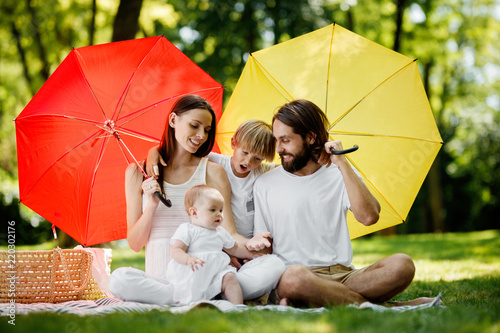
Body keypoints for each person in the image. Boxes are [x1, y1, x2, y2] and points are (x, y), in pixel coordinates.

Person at [249, 99, 438, 307]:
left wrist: (342, 163)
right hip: (295, 276)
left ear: (311, 137)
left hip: (343, 275)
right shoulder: (265, 184)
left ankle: (319, 300)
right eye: (276, 140)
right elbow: (264, 249)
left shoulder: (340, 172)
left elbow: (369, 216)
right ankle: (385, 308)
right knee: (295, 278)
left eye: (285, 140)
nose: (279, 149)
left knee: (403, 265)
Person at [109, 95, 282, 305]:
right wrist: (152, 205)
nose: (201, 135)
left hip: (205, 277)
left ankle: (212, 293)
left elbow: (229, 233)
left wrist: (255, 246)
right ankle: (203, 299)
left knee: (274, 265)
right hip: (161, 282)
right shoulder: (137, 173)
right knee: (118, 280)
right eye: (194, 126)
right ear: (173, 120)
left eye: (207, 130)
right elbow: (135, 244)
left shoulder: (213, 171)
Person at [146, 119, 285, 301]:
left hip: (245, 247)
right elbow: (180, 152)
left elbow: (290, 167)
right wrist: (153, 151)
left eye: (257, 158)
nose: (248, 161)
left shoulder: (262, 171)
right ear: (234, 143)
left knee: (273, 263)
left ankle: (231, 289)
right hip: (220, 245)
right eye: (245, 152)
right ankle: (227, 288)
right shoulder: (214, 161)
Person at [167, 185, 254, 305]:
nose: (219, 214)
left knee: (230, 278)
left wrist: (253, 255)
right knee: (189, 296)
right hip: (195, 274)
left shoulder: (220, 232)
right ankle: (187, 303)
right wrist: (188, 259)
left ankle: (238, 307)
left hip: (216, 274)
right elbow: (176, 250)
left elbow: (235, 249)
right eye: (213, 210)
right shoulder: (188, 230)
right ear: (194, 212)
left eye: (221, 210)